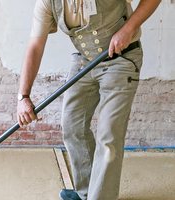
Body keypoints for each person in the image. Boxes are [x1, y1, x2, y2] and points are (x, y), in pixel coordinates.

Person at [16, 0, 161, 199]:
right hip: (85, 60)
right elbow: (35, 46)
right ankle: (86, 193)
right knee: (72, 126)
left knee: (108, 136)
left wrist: (128, 29)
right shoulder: (47, 3)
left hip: (121, 59)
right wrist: (23, 96)